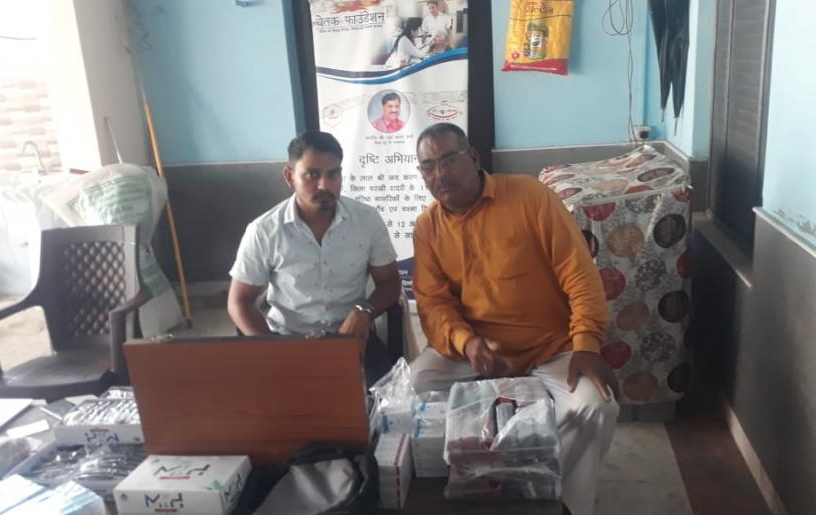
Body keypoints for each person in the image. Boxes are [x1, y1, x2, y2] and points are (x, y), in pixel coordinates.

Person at [409, 123, 619, 515]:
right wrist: (467, 342)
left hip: (550, 348)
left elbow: (579, 274)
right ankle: (472, 484)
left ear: (473, 158)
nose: (440, 174)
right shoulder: (427, 228)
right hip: (477, 351)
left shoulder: (530, 197)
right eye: (428, 166)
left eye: (449, 160)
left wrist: (587, 344)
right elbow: (434, 305)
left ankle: (557, 498)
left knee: (596, 405)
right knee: (417, 385)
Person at [228, 131, 401, 386]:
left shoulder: (366, 221)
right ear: (290, 177)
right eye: (312, 174)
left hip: (352, 336)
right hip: (287, 339)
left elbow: (390, 283)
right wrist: (272, 351)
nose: (324, 185)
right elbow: (239, 302)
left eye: (333, 174)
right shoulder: (264, 231)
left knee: (386, 403)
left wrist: (364, 311)